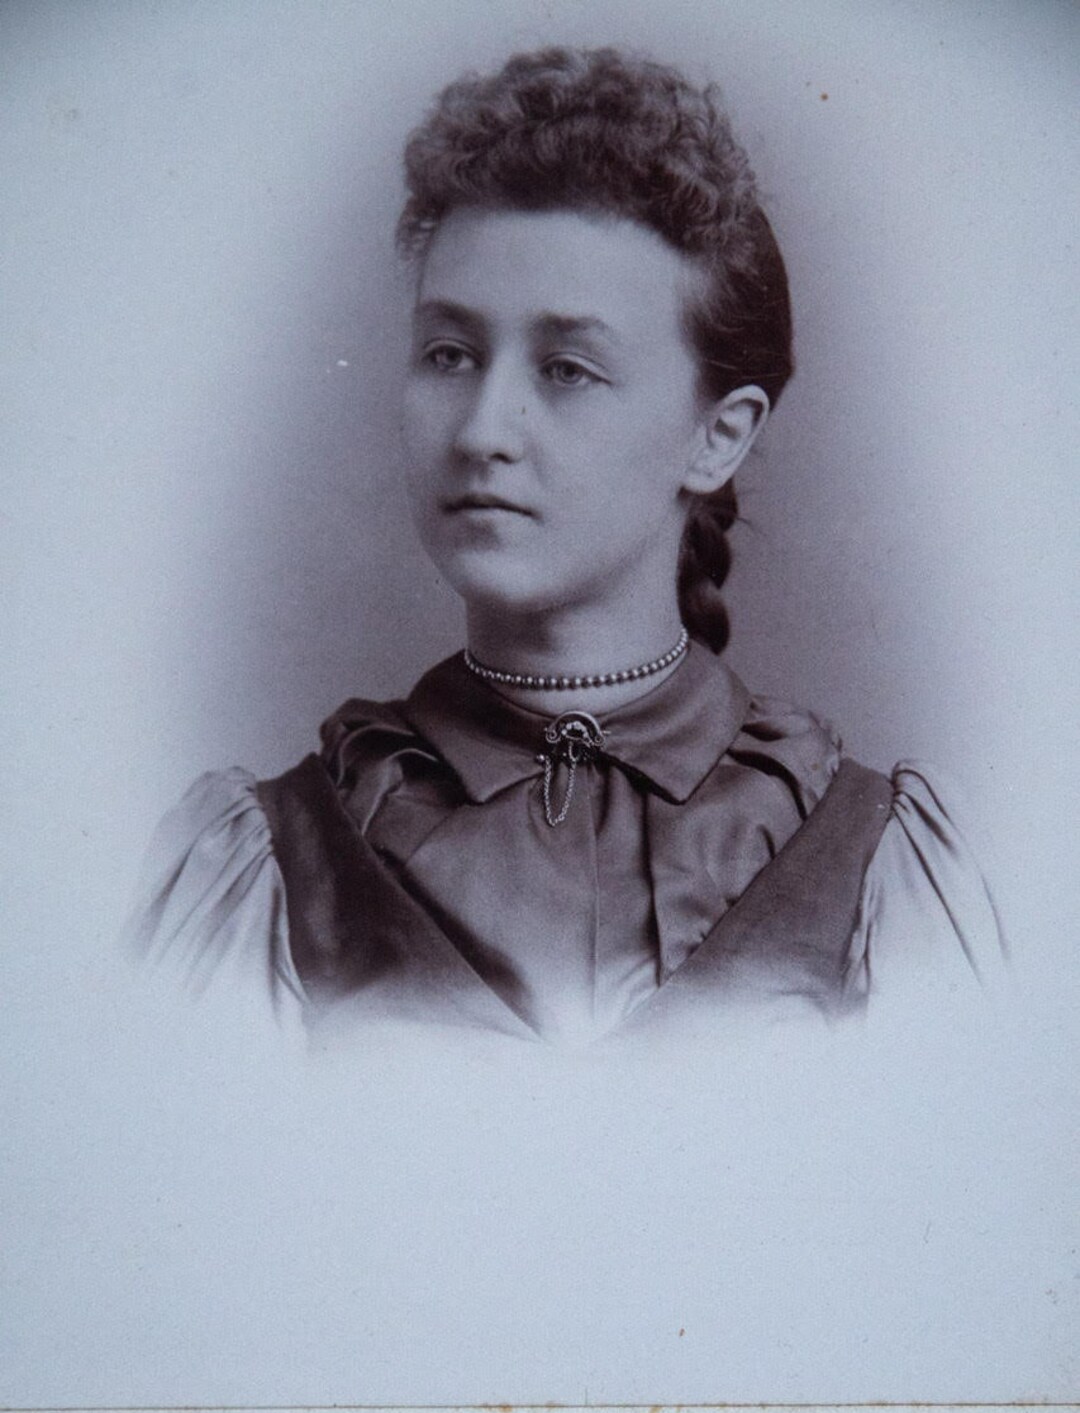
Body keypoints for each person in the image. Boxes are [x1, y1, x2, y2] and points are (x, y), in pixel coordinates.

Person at [134, 45, 1003, 1047]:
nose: (482, 429)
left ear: (717, 435)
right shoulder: (272, 862)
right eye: (449, 354)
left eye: (568, 369)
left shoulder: (875, 857)